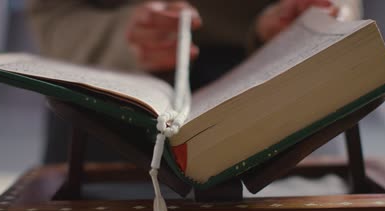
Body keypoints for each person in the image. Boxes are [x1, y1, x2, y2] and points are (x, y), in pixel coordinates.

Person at [26, 0, 337, 164]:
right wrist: (123, 39)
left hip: (278, 79)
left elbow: (338, 6)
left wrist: (309, 22)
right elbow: (54, 14)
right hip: (113, 87)